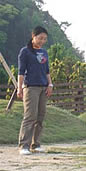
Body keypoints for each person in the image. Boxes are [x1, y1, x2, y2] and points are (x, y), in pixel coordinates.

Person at [17, 26, 53, 155]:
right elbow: (21, 72)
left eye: (44, 39)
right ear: (33, 36)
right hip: (30, 87)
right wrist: (19, 88)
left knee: (40, 116)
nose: (42, 41)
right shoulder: (25, 51)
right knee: (30, 116)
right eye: (40, 38)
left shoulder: (44, 52)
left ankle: (36, 144)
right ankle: (24, 145)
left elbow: (47, 71)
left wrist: (50, 85)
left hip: (43, 87)